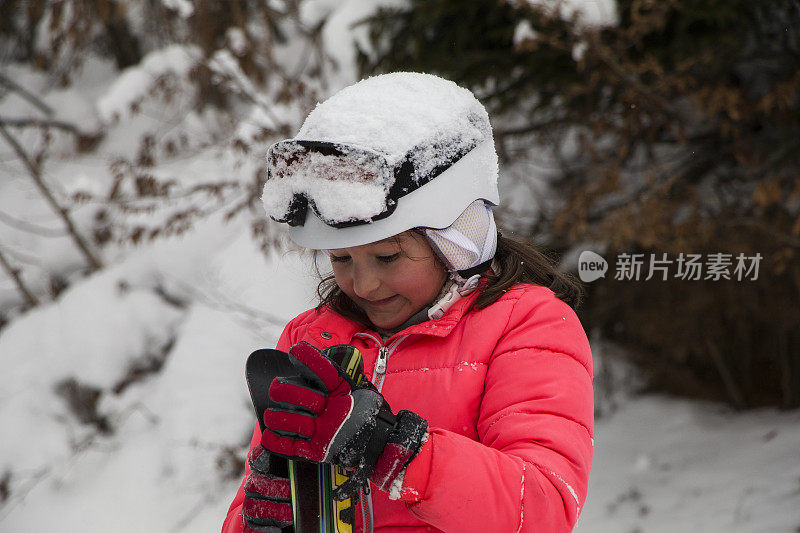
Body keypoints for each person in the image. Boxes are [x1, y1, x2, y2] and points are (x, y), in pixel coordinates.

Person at [222, 72, 593, 533]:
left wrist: (392, 451)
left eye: (387, 256)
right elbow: (248, 500)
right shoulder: (312, 337)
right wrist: (260, 519)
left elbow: (542, 508)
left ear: (457, 238)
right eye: (341, 259)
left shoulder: (526, 325)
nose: (364, 284)